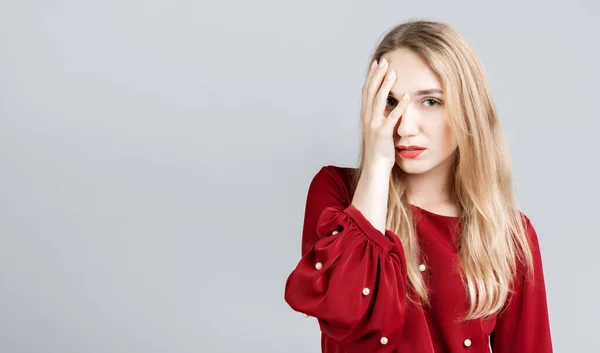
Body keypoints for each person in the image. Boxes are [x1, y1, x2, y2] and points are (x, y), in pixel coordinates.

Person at [283, 19, 553, 353]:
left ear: (468, 110)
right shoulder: (337, 193)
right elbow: (344, 309)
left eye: (431, 102)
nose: (405, 127)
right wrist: (378, 164)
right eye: (390, 102)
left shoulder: (509, 233)